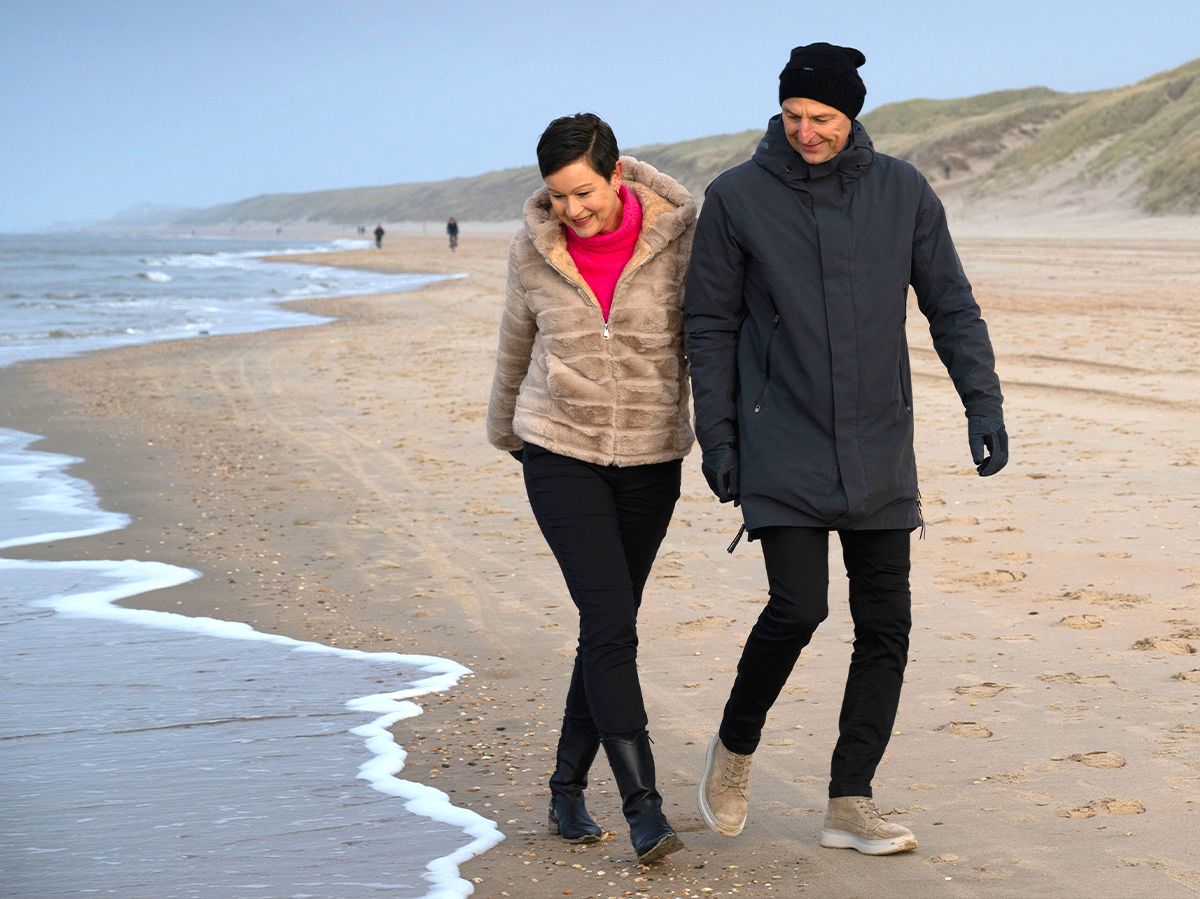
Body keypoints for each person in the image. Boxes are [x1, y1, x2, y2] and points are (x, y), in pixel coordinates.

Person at [685, 43, 1007, 856]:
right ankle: (734, 748)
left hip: (877, 438)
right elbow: (710, 325)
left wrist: (983, 400)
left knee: (885, 624)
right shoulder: (736, 198)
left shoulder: (903, 191)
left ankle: (850, 799)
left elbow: (951, 305)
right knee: (799, 606)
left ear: (852, 112)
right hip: (780, 435)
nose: (805, 131)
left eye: (821, 117)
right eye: (793, 116)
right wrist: (717, 436)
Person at [487, 112, 696, 864]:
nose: (572, 211)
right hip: (559, 449)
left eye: (583, 193)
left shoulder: (679, 239)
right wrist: (506, 431)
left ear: (616, 174)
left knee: (606, 626)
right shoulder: (534, 247)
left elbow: (705, 342)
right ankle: (644, 807)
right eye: (557, 196)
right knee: (611, 618)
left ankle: (565, 789)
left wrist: (729, 440)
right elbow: (518, 338)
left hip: (650, 456)